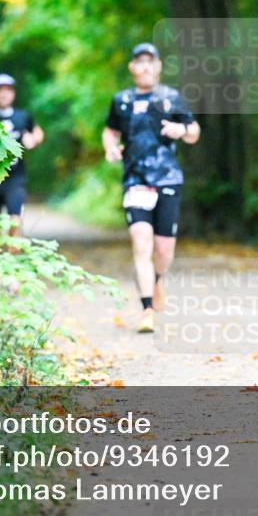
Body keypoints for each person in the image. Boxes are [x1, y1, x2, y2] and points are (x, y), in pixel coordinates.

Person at [102, 43, 201, 333]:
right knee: (141, 244)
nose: (145, 66)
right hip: (135, 180)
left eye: (150, 61)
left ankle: (157, 280)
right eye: (139, 61)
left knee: (163, 251)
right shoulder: (121, 100)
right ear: (132, 67)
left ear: (158, 66)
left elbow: (194, 131)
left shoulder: (170, 98)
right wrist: (110, 147)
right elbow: (110, 130)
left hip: (168, 179)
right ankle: (147, 310)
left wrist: (181, 130)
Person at [0, 73, 44, 238]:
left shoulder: (22, 116)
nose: (3, 93)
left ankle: (14, 256)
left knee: (16, 219)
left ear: (13, 93)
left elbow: (37, 132)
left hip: (15, 178)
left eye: (7, 89)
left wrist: (33, 139)